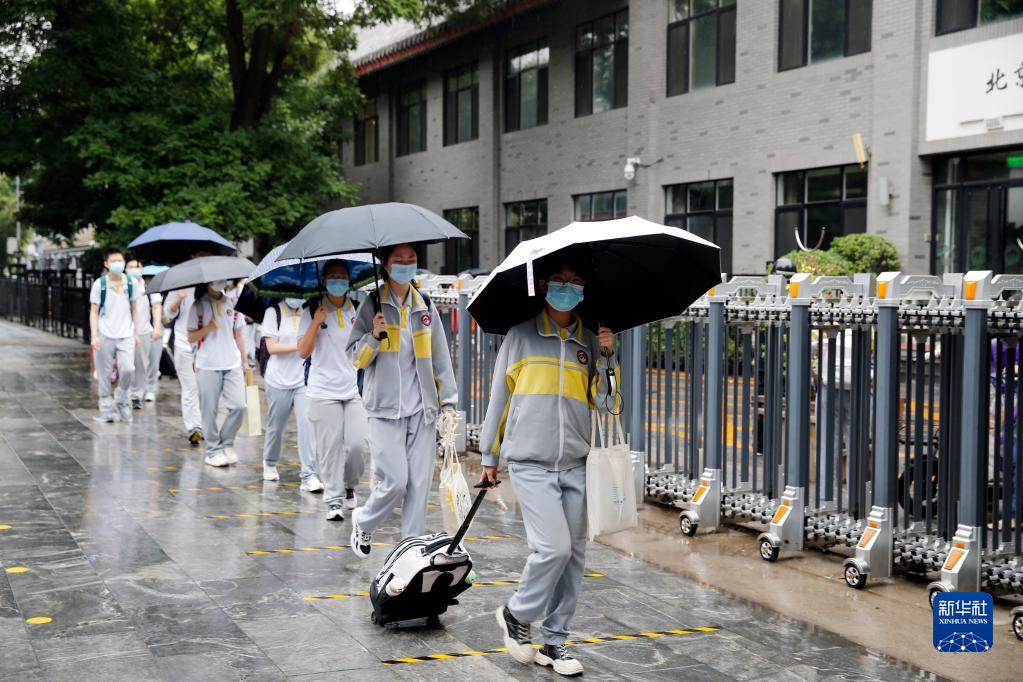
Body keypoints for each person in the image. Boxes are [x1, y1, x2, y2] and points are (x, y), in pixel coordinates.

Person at [479, 255, 617, 677]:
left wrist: (608, 359)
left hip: (575, 462)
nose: (567, 287)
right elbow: (499, 400)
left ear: (584, 290)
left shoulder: (591, 341)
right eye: (559, 280)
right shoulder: (520, 336)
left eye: (575, 281)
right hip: (529, 461)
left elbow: (608, 404)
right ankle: (517, 614)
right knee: (552, 547)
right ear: (543, 285)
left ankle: (556, 642)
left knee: (573, 555)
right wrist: (490, 455)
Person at [346, 244, 457, 555]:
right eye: (399, 260)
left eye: (411, 260)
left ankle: (409, 552)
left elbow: (440, 359)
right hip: (383, 409)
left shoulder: (426, 307)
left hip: (422, 410)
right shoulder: (371, 305)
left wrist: (448, 403)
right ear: (385, 264)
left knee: (419, 487)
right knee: (395, 482)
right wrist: (374, 337)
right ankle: (364, 522)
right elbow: (355, 358)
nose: (406, 265)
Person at [298, 260, 368, 519]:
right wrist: (316, 322)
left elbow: (367, 350)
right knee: (329, 449)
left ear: (349, 281)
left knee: (356, 445)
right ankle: (334, 501)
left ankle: (350, 487)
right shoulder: (312, 309)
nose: (337, 280)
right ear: (324, 280)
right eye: (332, 276)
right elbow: (302, 352)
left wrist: (377, 330)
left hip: (353, 390)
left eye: (342, 276)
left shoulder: (359, 310)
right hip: (322, 391)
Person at [260, 295, 325, 493]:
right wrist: (301, 346)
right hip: (278, 379)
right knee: (276, 426)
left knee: (307, 426)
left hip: (303, 380)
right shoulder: (274, 313)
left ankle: (308, 474)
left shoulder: (310, 313)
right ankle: (270, 462)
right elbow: (272, 347)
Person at [187, 279, 247, 467]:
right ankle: (213, 450)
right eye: (216, 280)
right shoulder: (197, 306)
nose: (221, 282)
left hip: (232, 362)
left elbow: (238, 334)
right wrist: (208, 328)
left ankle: (226, 443)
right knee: (209, 410)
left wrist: (245, 360)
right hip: (207, 364)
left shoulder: (232, 304)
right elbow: (190, 337)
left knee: (239, 406)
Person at [89, 247, 141, 423]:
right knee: (103, 373)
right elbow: (94, 311)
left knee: (128, 369)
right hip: (104, 333)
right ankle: (106, 411)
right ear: (106, 264)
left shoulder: (131, 282)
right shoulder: (100, 284)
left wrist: (136, 332)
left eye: (120, 261)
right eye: (113, 261)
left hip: (126, 333)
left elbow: (135, 308)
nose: (118, 264)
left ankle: (121, 399)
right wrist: (94, 335)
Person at [164, 252, 211, 445]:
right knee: (190, 387)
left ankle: (207, 425)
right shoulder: (179, 283)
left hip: (208, 344)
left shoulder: (213, 283)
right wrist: (179, 298)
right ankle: (194, 427)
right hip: (184, 342)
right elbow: (167, 314)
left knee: (207, 389)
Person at [126, 259, 163, 408]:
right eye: (131, 267)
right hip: (127, 332)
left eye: (137, 267)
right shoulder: (124, 287)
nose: (134, 269)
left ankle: (147, 390)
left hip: (145, 330)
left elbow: (157, 306)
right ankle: (133, 390)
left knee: (148, 363)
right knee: (131, 365)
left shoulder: (148, 287)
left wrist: (157, 327)